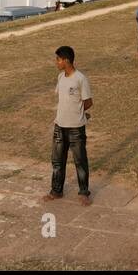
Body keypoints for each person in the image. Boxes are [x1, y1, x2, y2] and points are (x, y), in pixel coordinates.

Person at [44, 45, 93, 206]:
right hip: (60, 125)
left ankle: (84, 192)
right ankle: (56, 191)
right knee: (57, 161)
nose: (56, 62)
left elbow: (88, 102)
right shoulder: (60, 77)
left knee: (80, 161)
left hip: (76, 127)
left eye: (58, 59)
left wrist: (79, 113)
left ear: (66, 60)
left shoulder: (80, 79)